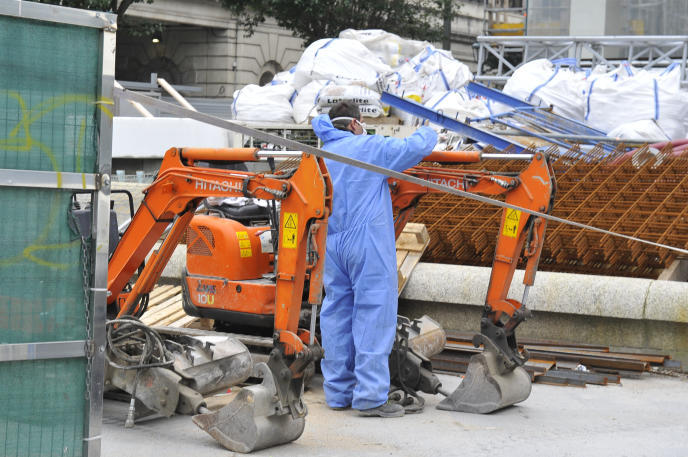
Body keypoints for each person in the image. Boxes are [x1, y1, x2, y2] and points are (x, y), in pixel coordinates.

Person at [311, 101, 437, 418]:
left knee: (336, 313)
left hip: (332, 244)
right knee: (373, 312)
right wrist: (431, 131)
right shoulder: (368, 146)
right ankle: (369, 397)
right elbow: (414, 147)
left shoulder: (320, 155)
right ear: (355, 123)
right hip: (366, 243)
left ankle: (338, 392)